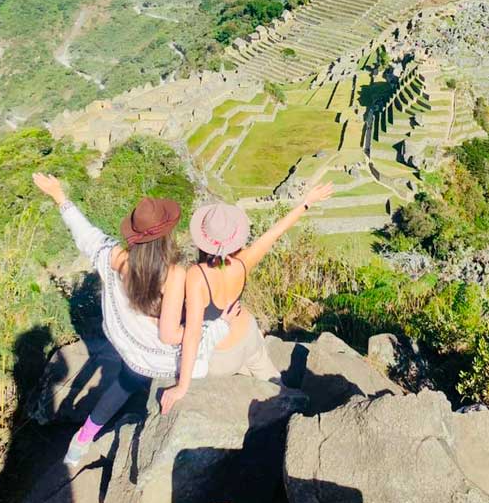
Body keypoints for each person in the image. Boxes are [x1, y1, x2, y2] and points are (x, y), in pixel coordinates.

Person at [32, 172, 235, 465]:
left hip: (127, 343)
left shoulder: (117, 258)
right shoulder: (174, 274)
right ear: (166, 235)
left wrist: (59, 197)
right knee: (211, 328)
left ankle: (82, 439)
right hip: (157, 355)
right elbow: (169, 336)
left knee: (127, 379)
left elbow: (86, 235)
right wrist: (204, 335)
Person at [161, 181, 333, 413]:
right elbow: (274, 233)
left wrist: (182, 386)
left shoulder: (196, 276)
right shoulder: (243, 261)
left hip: (222, 356)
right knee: (273, 381)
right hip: (250, 338)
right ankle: (294, 403)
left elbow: (192, 333)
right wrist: (306, 203)